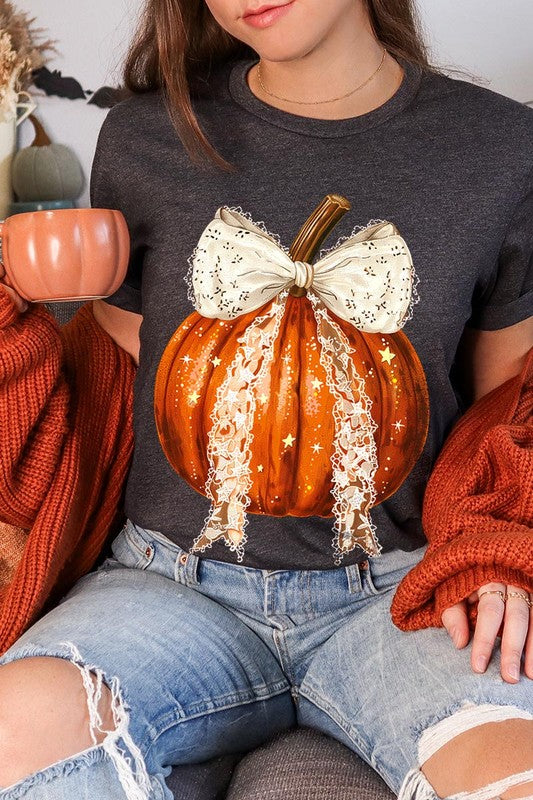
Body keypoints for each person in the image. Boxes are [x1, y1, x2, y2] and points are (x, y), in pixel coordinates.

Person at [0, 1, 532, 798]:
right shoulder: (147, 135)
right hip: (167, 585)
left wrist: (497, 544)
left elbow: (511, 407)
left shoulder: (502, 146)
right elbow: (122, 370)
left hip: (395, 592)